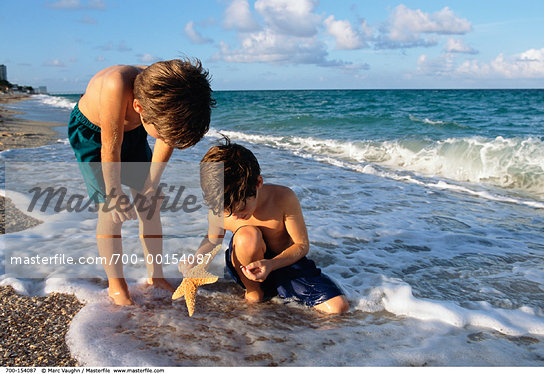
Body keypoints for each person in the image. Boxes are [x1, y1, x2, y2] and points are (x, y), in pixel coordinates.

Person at [68, 58, 215, 305]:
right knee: (109, 210)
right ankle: (117, 284)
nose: (165, 138)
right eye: (162, 134)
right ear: (138, 107)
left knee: (150, 205)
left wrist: (150, 184)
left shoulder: (170, 97)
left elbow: (166, 137)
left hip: (136, 130)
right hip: (94, 135)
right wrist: (114, 192)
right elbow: (110, 147)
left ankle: (155, 276)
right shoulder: (116, 85)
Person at [183, 138, 349, 314]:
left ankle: (278, 288)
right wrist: (196, 263)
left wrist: (271, 264)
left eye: (241, 208)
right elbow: (211, 242)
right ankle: (254, 292)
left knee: (338, 307)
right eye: (226, 211)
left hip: (285, 264)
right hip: (246, 271)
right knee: (247, 234)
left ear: (258, 183)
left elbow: (302, 245)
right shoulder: (220, 209)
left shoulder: (283, 198)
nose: (235, 215)